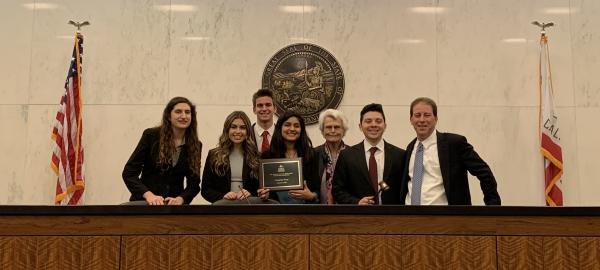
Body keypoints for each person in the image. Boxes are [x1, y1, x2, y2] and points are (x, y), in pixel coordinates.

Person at [400, 97, 501, 205]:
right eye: (417, 115)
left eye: (427, 115)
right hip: (411, 217)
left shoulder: (454, 144)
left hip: (446, 218)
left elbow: (484, 173)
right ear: (411, 119)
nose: (422, 120)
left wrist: (492, 207)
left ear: (436, 118)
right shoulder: (410, 148)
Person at [122, 97, 202, 205]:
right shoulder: (151, 136)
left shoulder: (195, 145)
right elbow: (129, 173)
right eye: (178, 112)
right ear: (169, 116)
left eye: (187, 112)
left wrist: (180, 199)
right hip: (145, 203)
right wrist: (149, 195)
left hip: (174, 207)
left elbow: (194, 184)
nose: (184, 116)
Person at [332, 103, 405, 205]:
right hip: (359, 217)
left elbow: (405, 188)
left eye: (378, 121)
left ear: (385, 125)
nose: (373, 124)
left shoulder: (400, 155)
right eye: (368, 121)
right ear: (360, 126)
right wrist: (356, 202)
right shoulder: (347, 155)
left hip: (392, 216)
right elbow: (337, 190)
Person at [258, 112, 320, 204]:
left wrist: (311, 196)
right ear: (280, 128)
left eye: (296, 126)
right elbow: (264, 190)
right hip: (277, 212)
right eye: (287, 125)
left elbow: (317, 189)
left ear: (301, 129)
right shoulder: (267, 156)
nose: (292, 129)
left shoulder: (311, 154)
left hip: (306, 212)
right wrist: (265, 195)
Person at [201, 111, 261, 204]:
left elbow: (261, 189)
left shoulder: (256, 156)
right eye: (233, 127)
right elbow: (205, 190)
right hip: (223, 207)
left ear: (248, 131)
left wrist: (250, 193)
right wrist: (223, 196)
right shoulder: (214, 155)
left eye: (242, 128)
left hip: (249, 206)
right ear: (227, 130)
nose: (238, 131)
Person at [314, 109, 349, 204]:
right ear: (322, 131)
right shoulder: (313, 154)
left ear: (344, 130)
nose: (333, 131)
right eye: (328, 127)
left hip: (348, 210)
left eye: (337, 127)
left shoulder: (353, 155)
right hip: (320, 210)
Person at [251, 88, 277, 153]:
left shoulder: (283, 134)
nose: (264, 109)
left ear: (275, 109)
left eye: (268, 105)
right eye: (260, 105)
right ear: (254, 110)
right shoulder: (246, 135)